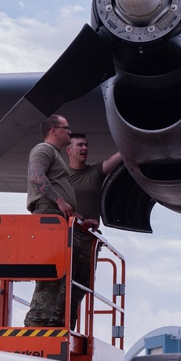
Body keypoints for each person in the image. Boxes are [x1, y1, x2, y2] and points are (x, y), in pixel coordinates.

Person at [64, 132, 123, 329]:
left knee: (82, 286)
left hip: (88, 242)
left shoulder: (94, 173)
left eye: (86, 145)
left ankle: (68, 326)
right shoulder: (60, 177)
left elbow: (120, 155)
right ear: (68, 150)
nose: (84, 149)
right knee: (61, 284)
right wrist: (80, 219)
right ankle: (55, 324)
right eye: (80, 145)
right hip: (66, 239)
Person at [24, 114, 78, 327]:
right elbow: (36, 177)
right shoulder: (44, 149)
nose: (69, 132)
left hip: (55, 216)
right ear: (54, 130)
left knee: (59, 274)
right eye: (66, 128)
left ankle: (50, 320)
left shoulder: (54, 154)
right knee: (50, 270)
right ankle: (37, 323)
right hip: (48, 215)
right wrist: (60, 201)